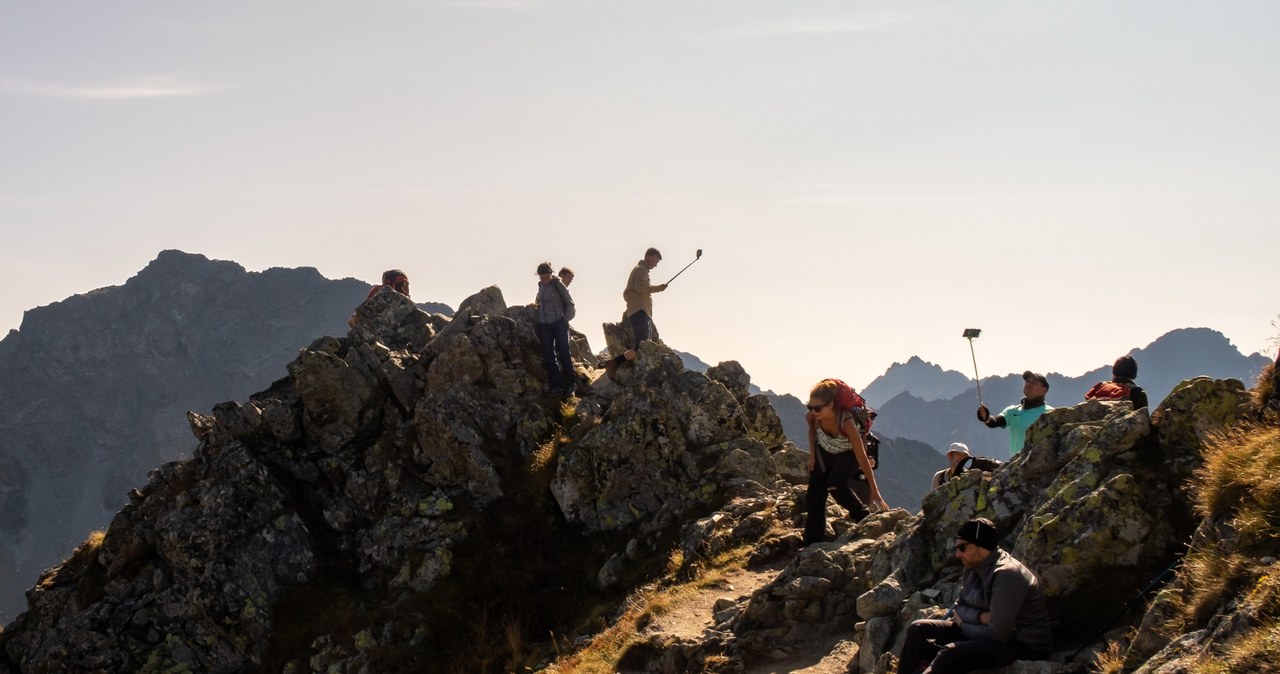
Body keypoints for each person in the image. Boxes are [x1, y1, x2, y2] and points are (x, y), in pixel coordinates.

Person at [896, 518, 1052, 674]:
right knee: (918, 629)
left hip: (1022, 645)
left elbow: (997, 634)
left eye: (962, 547)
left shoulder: (1007, 575)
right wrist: (980, 617)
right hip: (984, 632)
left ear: (982, 547)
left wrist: (963, 625)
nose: (957, 554)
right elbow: (959, 606)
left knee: (950, 653)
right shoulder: (972, 566)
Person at [803, 379, 890, 546]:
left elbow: (862, 457)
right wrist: (812, 456)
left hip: (848, 453)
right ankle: (812, 541)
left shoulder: (846, 422)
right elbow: (812, 433)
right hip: (825, 451)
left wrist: (874, 491)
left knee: (835, 484)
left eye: (817, 408)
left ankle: (862, 516)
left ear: (831, 405)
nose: (813, 411)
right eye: (810, 407)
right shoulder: (812, 417)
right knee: (814, 494)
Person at [603, 248, 667, 377]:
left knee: (641, 346)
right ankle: (614, 363)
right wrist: (658, 288)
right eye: (657, 260)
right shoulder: (641, 269)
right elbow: (640, 288)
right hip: (640, 310)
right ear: (651, 256)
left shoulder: (640, 269)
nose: (656, 265)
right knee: (642, 346)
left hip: (639, 310)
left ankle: (615, 363)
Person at [976, 372, 1052, 458]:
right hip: (1017, 467)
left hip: (1041, 466)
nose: (1028, 384)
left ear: (1044, 390)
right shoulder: (1012, 411)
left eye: (1033, 383)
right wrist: (986, 417)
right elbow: (995, 421)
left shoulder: (1050, 413)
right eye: (1027, 381)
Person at [534, 262, 576, 398]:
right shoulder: (540, 286)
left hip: (558, 322)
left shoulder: (558, 285)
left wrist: (565, 320)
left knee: (564, 352)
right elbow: (538, 302)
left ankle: (571, 385)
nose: (544, 280)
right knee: (548, 355)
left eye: (546, 277)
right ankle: (556, 385)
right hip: (544, 324)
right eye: (541, 278)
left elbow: (570, 303)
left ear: (551, 274)